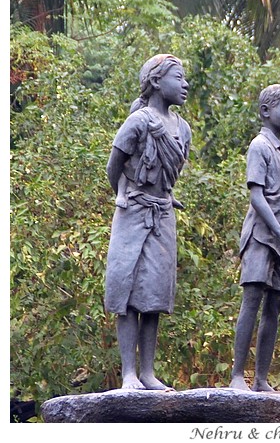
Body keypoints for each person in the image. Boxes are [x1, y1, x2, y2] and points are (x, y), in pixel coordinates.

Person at [104, 54, 192, 390]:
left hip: (163, 213)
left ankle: (148, 372)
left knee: (153, 293)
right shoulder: (138, 121)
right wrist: (128, 196)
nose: (185, 85)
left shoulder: (182, 128)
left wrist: (162, 198)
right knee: (126, 290)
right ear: (156, 81)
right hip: (132, 212)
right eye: (179, 78)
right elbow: (114, 166)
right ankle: (128, 372)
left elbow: (171, 176)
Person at [229, 84, 280, 391]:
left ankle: (260, 378)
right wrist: (279, 232)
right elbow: (257, 196)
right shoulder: (261, 146)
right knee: (252, 301)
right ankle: (236, 376)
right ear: (266, 112)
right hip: (262, 236)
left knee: (275, 307)